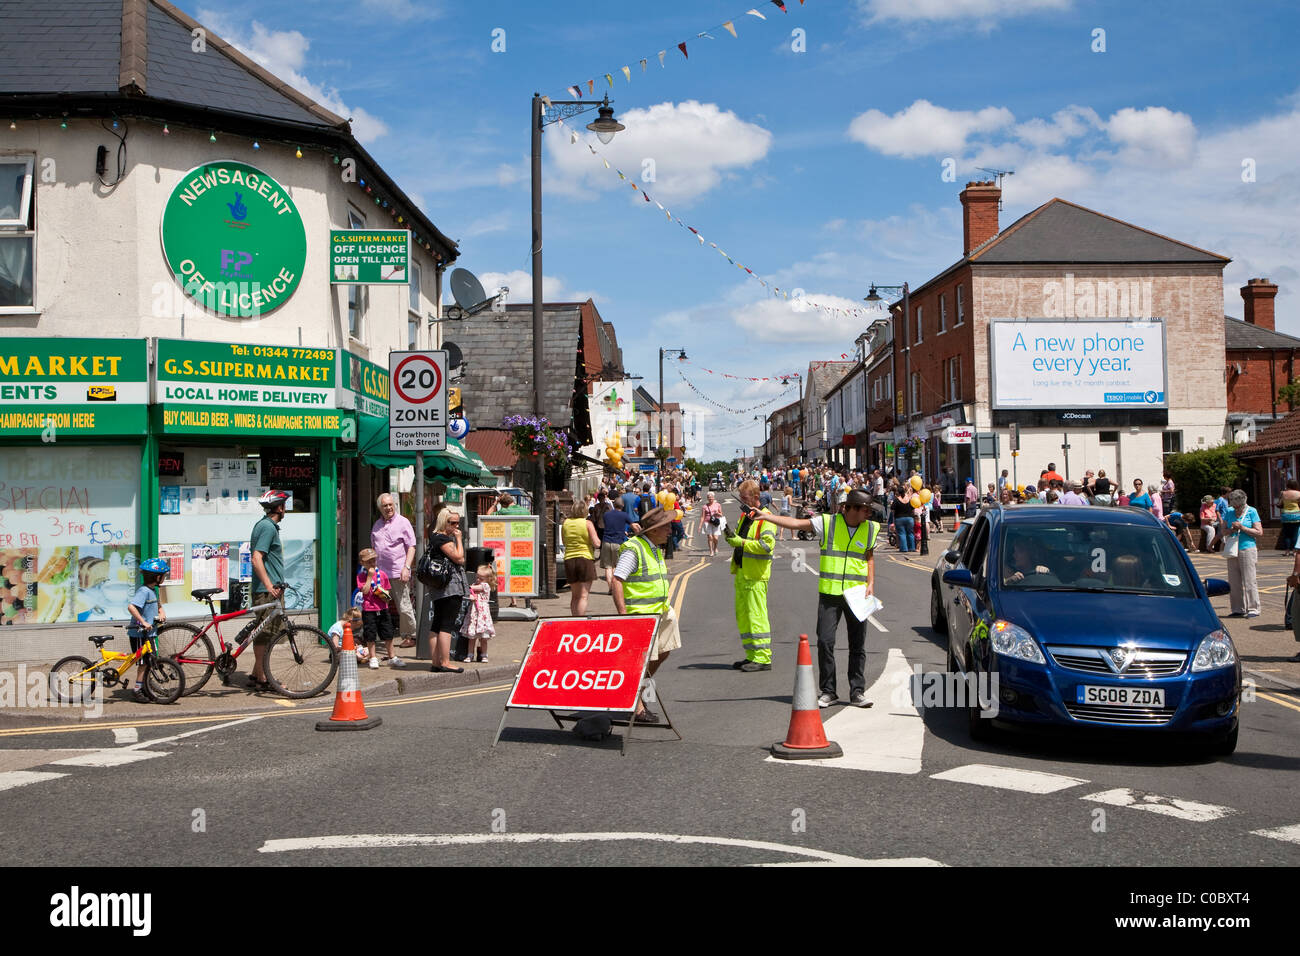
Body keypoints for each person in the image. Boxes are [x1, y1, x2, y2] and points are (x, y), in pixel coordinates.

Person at [757, 488, 880, 708]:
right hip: (830, 594)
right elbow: (795, 524)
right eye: (865, 510)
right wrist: (767, 516)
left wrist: (870, 583)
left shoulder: (870, 528)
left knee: (857, 645)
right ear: (850, 508)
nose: (868, 514)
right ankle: (829, 691)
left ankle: (857, 692)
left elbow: (869, 558)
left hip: (857, 595)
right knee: (825, 642)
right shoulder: (828, 523)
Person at [611, 507, 681, 723]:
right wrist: (623, 614)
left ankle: (635, 692)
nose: (670, 530)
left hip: (660, 612)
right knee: (640, 662)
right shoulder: (634, 549)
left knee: (665, 651)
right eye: (666, 527)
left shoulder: (653, 548)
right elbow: (617, 580)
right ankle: (636, 706)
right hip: (641, 616)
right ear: (653, 530)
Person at [725, 480, 777, 672]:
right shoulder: (746, 516)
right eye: (741, 498)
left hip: (755, 574)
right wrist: (730, 537)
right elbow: (739, 540)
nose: (742, 501)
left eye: (745, 498)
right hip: (742, 572)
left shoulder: (766, 518)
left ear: (756, 497)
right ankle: (752, 655)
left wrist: (741, 542)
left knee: (756, 616)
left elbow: (766, 546)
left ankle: (763, 658)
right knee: (744, 616)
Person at [247, 489, 289, 690]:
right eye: (284, 505)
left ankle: (257, 674)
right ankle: (263, 677)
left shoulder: (266, 526)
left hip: (269, 590)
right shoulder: (267, 528)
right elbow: (256, 558)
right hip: (266, 592)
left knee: (265, 632)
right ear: (280, 507)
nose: (285, 509)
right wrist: (269, 586)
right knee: (265, 633)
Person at [371, 493, 417, 650]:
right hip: (380, 574)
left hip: (398, 572)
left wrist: (407, 567)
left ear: (394, 505)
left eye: (391, 504)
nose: (388, 508)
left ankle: (410, 636)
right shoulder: (376, 525)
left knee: (403, 605)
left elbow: (411, 546)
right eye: (385, 505)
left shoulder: (403, 522)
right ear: (380, 508)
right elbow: (374, 548)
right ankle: (382, 636)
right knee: (379, 607)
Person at [425, 509, 466, 673]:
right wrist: (459, 539)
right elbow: (459, 558)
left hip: (438, 586)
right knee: (446, 625)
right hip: (450, 586)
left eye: (458, 522)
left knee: (437, 623)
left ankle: (436, 662)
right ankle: (446, 662)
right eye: (452, 523)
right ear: (444, 522)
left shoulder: (434, 537)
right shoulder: (443, 538)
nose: (456, 526)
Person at [126, 557, 169, 702]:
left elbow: (157, 604)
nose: (164, 577)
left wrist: (161, 612)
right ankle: (137, 690)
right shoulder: (143, 591)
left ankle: (145, 686)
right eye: (164, 575)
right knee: (143, 663)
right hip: (139, 634)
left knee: (150, 661)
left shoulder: (153, 591)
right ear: (157, 577)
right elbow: (131, 607)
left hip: (150, 633)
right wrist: (143, 621)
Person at [357, 548, 401, 669]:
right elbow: (364, 591)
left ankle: (392, 657)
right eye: (369, 561)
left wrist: (384, 595)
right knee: (370, 634)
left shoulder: (382, 574)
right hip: (369, 609)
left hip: (382, 608)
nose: (372, 563)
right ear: (362, 563)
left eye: (374, 560)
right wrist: (369, 577)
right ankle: (373, 657)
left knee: (388, 633)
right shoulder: (361, 576)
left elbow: (387, 591)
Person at [1224, 489, 1263, 618]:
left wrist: (1243, 528)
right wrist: (1231, 529)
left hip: (1247, 548)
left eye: (1237, 506)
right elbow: (1223, 531)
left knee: (1249, 579)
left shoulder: (1252, 511)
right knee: (1234, 580)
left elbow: (1259, 532)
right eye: (1233, 505)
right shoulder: (1229, 512)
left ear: (1242, 502)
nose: (1235, 508)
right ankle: (1237, 608)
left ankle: (1253, 608)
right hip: (1232, 548)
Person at [562, 500, 600, 616]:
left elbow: (564, 542)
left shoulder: (566, 523)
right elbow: (597, 543)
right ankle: (581, 620)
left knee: (575, 595)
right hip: (585, 558)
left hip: (569, 559)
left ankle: (574, 619)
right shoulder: (587, 523)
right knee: (583, 596)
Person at [597, 498, 636, 590]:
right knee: (616, 566)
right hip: (618, 542)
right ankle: (615, 588)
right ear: (622, 506)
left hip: (606, 541)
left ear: (614, 505)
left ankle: (610, 587)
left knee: (608, 567)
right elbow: (633, 525)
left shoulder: (606, 515)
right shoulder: (624, 515)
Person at [463, 565, 496, 663]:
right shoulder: (475, 584)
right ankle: (470, 654)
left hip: (482, 615)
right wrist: (470, 596)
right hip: (473, 614)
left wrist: (468, 587)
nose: (478, 580)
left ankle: (484, 654)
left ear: (488, 579)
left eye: (481, 578)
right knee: (471, 637)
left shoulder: (485, 586)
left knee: (483, 638)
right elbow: (470, 591)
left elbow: (475, 588)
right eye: (477, 577)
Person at [892, 486, 916, 555]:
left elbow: (893, 510)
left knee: (902, 534)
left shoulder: (896, 500)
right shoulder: (909, 499)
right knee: (910, 533)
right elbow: (913, 509)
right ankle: (912, 548)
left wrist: (894, 519)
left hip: (899, 519)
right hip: (909, 518)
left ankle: (904, 548)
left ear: (898, 493)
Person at [1279, 479, 1300, 556]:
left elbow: (1280, 503)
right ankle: (1294, 551)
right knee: (1295, 534)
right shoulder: (1298, 494)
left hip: (1286, 515)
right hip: (1296, 515)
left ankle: (1287, 551)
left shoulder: (1283, 493)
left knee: (1286, 534)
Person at [700, 491, 724, 556]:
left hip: (716, 522)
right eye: (709, 498)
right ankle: (711, 551)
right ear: (707, 498)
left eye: (711, 497)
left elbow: (721, 514)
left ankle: (715, 548)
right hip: (707, 522)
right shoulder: (704, 506)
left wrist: (717, 513)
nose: (710, 499)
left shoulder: (718, 505)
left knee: (715, 538)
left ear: (713, 498)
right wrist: (700, 526)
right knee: (710, 537)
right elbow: (702, 516)